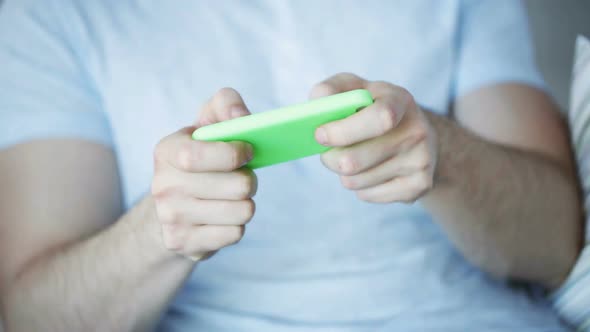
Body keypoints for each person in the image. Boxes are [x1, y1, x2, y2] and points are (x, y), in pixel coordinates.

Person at [0, 0, 582, 331]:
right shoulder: (54, 14)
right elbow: (30, 317)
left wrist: (444, 153)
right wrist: (160, 233)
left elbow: (559, 245)